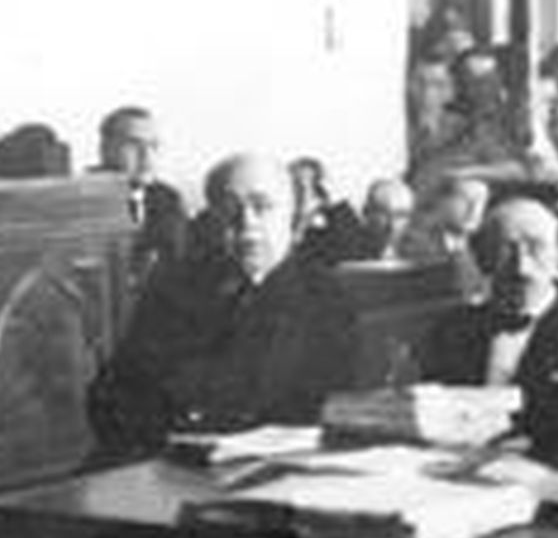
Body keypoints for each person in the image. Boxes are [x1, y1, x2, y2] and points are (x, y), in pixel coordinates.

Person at [87, 153, 356, 457]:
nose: (247, 223)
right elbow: (113, 394)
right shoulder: (176, 289)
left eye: (262, 206)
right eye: (229, 209)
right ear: (211, 218)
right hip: (171, 462)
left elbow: (327, 409)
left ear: (293, 217)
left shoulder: (325, 297)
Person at [419, 197, 558, 463]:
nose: (521, 267)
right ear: (484, 259)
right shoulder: (453, 329)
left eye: (536, 247)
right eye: (506, 249)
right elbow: (427, 413)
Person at [95, 106, 187, 285]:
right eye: (134, 144)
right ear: (105, 149)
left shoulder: (168, 199)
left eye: (153, 146)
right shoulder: (84, 198)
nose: (146, 155)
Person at [396, 170, 490, 298]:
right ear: (442, 202)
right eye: (466, 200)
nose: (474, 210)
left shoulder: (482, 246)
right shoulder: (414, 244)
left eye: (481, 202)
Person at [356, 178, 417, 261]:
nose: (392, 226)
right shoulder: (342, 258)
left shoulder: (419, 258)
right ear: (366, 212)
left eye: (400, 216)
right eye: (384, 214)